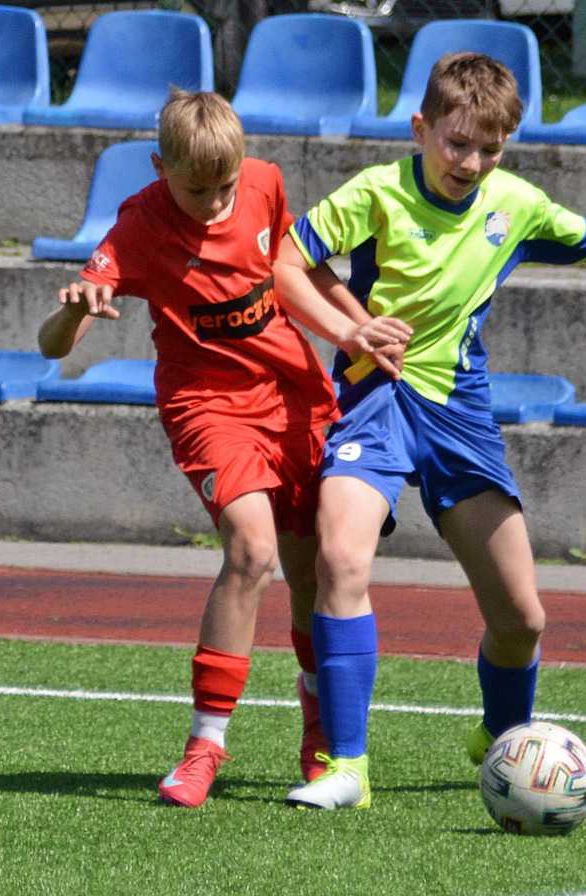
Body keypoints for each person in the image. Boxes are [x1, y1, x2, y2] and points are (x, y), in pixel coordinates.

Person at [273, 51, 586, 810]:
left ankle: (504, 741)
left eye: (488, 148)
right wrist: (349, 330)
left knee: (521, 620)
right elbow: (284, 262)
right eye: (455, 143)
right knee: (341, 559)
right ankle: (346, 767)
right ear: (419, 128)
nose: (470, 163)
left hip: (459, 419)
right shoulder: (376, 192)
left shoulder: (515, 204)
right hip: (372, 403)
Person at [37, 89, 411, 807]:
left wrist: (351, 327)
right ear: (160, 169)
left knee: (311, 573)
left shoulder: (265, 184)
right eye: (195, 190)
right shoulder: (139, 225)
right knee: (250, 550)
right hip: (207, 407)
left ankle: (320, 733)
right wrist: (71, 310)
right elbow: (54, 345)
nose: (213, 204)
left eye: (225, 188)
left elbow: (293, 274)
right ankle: (204, 746)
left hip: (294, 396)